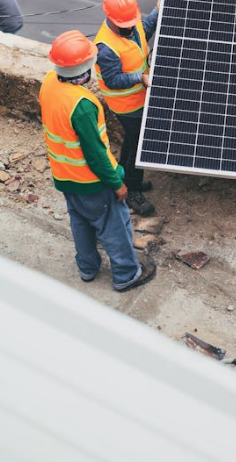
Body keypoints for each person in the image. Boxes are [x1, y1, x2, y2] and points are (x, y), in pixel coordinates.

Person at [39, 29, 156, 291]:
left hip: (64, 176)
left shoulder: (49, 82)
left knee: (80, 223)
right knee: (115, 227)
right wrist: (117, 183)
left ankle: (87, 268)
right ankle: (127, 274)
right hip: (92, 182)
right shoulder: (82, 104)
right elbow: (95, 153)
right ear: (86, 67)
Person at [95, 0, 159, 216]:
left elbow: (145, 30)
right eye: (127, 23)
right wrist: (139, 78)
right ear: (112, 20)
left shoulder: (130, 26)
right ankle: (131, 190)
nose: (131, 26)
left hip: (140, 98)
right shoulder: (105, 47)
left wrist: (157, 11)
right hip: (128, 107)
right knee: (135, 147)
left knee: (134, 144)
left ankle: (130, 179)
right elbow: (112, 80)